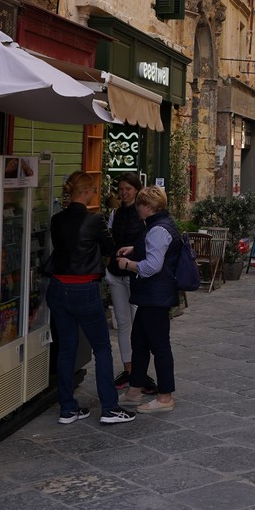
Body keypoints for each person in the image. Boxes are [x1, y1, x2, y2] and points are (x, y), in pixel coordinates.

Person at [46, 172, 135, 426]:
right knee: (102, 347)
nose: (94, 194)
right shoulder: (94, 220)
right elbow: (110, 248)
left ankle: (67, 408)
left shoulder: (56, 219)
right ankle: (109, 407)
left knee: (66, 348)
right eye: (93, 190)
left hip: (58, 287)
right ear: (85, 191)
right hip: (84, 288)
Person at [115, 185, 180, 413]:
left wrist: (128, 264)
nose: (137, 209)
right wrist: (135, 249)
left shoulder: (157, 229)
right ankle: (134, 390)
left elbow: (153, 265)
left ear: (148, 207)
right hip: (151, 296)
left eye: (139, 205)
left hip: (155, 296)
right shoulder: (160, 225)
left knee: (159, 346)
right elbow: (156, 249)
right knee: (139, 342)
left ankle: (165, 397)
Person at [105, 173, 155, 395]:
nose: (124, 192)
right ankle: (128, 368)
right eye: (121, 188)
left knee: (139, 323)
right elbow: (110, 240)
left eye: (128, 188)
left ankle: (140, 370)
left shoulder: (143, 213)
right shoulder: (115, 213)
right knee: (123, 323)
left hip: (135, 273)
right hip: (116, 272)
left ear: (136, 189)